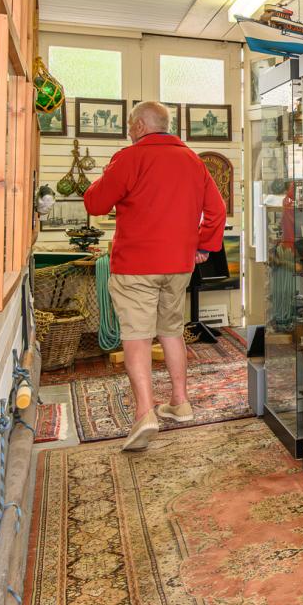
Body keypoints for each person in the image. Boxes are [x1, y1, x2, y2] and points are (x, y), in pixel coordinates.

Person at [83, 101, 226, 451]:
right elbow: (217, 210)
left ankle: (145, 413)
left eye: (130, 125)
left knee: (137, 335)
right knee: (172, 330)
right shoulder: (193, 160)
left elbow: (95, 204)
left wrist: (107, 174)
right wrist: (204, 246)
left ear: (140, 126)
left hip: (136, 264)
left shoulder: (129, 158)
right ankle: (180, 402)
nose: (128, 130)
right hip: (179, 264)